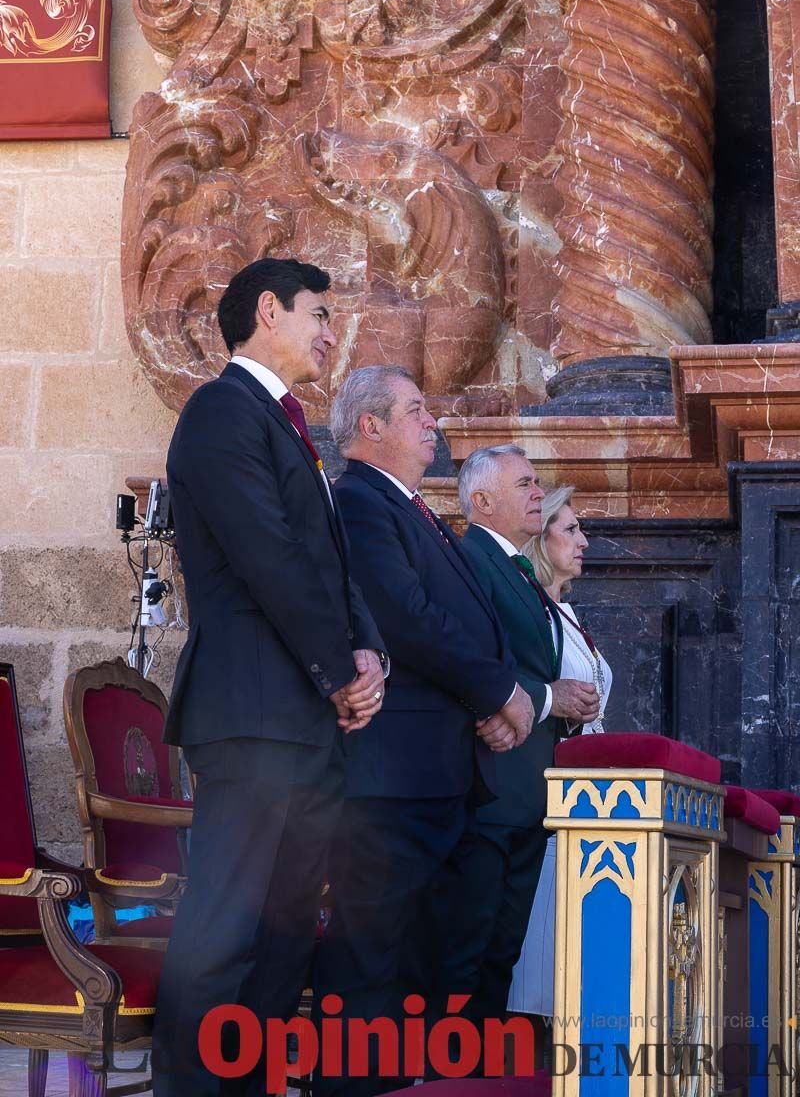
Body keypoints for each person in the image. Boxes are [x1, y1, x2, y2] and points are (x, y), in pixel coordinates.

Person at [152, 258, 387, 1097]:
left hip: (309, 720)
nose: (331, 333)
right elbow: (267, 558)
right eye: (319, 314)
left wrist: (366, 655)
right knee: (222, 934)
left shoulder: (291, 428)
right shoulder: (222, 411)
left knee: (285, 939)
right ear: (267, 311)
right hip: (253, 718)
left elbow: (329, 564)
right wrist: (337, 670)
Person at [312, 365, 535, 1097]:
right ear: (370, 426)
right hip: (391, 780)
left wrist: (492, 704)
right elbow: (406, 619)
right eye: (415, 410)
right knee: (370, 966)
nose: (432, 421)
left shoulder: (416, 510)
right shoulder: (361, 502)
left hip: (440, 776)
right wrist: (499, 692)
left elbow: (474, 621)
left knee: (423, 966)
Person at [447, 447, 599, 1035]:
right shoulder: (472, 560)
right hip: (492, 782)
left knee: (500, 952)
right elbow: (471, 655)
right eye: (525, 483)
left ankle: (480, 1071)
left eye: (537, 482)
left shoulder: (515, 570)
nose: (539, 492)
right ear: (482, 501)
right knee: (469, 948)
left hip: (528, 789)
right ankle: (446, 1075)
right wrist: (544, 695)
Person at [508, 483, 613, 1017]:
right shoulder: (532, 614)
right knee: (541, 954)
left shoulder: (567, 613)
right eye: (570, 529)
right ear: (539, 538)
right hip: (552, 795)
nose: (584, 541)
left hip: (588, 797)